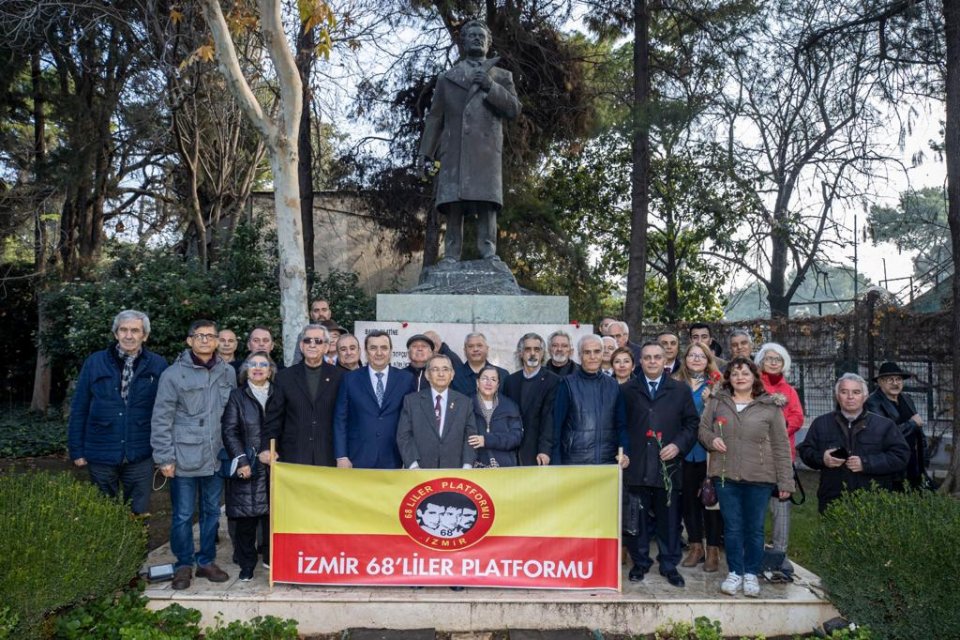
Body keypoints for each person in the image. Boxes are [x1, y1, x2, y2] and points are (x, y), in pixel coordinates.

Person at [418, 19, 521, 263]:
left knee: (487, 203)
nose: (477, 39)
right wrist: (426, 153)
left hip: (486, 150)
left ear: (488, 43)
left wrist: (490, 86)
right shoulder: (447, 78)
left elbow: (514, 109)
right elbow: (435, 118)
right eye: (472, 35)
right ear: (463, 42)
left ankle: (488, 251)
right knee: (454, 204)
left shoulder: (502, 76)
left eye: (481, 36)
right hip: (455, 150)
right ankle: (451, 254)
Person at [698, 357, 795, 598]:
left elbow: (781, 446)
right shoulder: (718, 402)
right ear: (728, 378)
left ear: (754, 377)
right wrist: (712, 440)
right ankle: (735, 572)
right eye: (735, 373)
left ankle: (751, 572)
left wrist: (786, 481)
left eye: (745, 373)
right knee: (732, 527)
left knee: (754, 528)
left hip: (760, 477)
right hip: (725, 475)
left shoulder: (770, 406)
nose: (740, 377)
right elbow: (703, 429)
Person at [151, 319, 237, 590]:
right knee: (183, 514)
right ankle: (183, 564)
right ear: (189, 340)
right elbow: (161, 418)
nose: (205, 340)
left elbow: (232, 416)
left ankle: (206, 561)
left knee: (211, 512)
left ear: (217, 341)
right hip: (184, 457)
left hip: (215, 456)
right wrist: (164, 457)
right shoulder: (173, 375)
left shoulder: (227, 373)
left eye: (210, 336)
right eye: (200, 336)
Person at [68, 310, 167, 515]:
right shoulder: (95, 362)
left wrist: (164, 452)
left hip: (141, 452)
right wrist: (77, 449)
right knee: (104, 513)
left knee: (139, 513)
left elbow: (166, 411)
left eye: (135, 330)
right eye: (123, 330)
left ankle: (138, 538)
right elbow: (79, 408)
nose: (129, 335)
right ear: (116, 334)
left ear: (145, 336)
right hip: (101, 451)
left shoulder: (158, 364)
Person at [621, 342, 699, 588]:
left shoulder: (680, 390)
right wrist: (624, 452)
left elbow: (692, 424)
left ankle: (668, 564)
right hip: (637, 465)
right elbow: (620, 425)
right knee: (637, 518)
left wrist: (677, 445)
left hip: (668, 465)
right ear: (640, 361)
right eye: (647, 357)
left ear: (665, 361)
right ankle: (640, 562)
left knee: (669, 519)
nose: (652, 361)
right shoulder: (627, 390)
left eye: (657, 357)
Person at [798, 373, 910, 513]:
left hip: (873, 501)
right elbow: (806, 451)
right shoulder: (821, 423)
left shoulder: (884, 425)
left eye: (856, 392)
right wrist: (822, 459)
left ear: (865, 396)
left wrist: (866, 463)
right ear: (837, 396)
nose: (850, 397)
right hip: (832, 500)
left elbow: (900, 457)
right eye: (844, 392)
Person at [220, 351, 275, 581]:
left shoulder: (279, 393)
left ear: (270, 370)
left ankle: (271, 558)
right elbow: (229, 430)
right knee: (246, 520)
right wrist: (241, 460)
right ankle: (247, 564)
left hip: (274, 465)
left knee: (272, 517)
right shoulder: (237, 396)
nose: (258, 368)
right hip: (248, 466)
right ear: (246, 370)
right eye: (253, 364)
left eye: (263, 364)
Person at [260, 324, 343, 466]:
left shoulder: (340, 377)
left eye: (318, 341)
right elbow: (274, 418)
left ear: (326, 347)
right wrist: (267, 448)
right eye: (307, 340)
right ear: (301, 346)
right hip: (294, 456)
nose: (312, 345)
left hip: (329, 456)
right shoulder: (284, 377)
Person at [674, 342, 724, 573]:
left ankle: (713, 549)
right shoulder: (676, 383)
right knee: (688, 501)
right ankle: (696, 547)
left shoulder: (717, 384)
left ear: (708, 360)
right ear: (685, 359)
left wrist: (708, 403)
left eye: (700, 356)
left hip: (708, 451)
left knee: (710, 500)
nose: (696, 359)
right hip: (685, 451)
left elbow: (724, 418)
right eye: (691, 355)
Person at [333, 331, 416, 469]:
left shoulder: (405, 379)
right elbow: (340, 419)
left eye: (384, 348)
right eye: (373, 348)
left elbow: (411, 421)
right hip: (357, 457)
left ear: (390, 351)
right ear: (366, 351)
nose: (379, 353)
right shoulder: (349, 379)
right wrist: (341, 456)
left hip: (394, 457)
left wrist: (410, 458)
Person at [754, 342, 804, 567]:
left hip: (782, 456)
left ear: (784, 364)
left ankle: (779, 554)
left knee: (781, 506)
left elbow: (797, 417)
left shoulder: (789, 391)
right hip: (756, 456)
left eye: (778, 359)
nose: (773, 363)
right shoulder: (754, 386)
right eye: (769, 358)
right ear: (761, 361)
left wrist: (780, 428)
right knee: (755, 506)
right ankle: (753, 551)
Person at [553, 335, 630, 467]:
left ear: (602, 354)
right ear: (579, 356)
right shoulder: (567, 384)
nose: (592, 356)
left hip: (608, 462)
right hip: (574, 462)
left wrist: (625, 453)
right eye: (587, 352)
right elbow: (556, 427)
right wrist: (556, 462)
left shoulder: (613, 385)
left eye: (597, 351)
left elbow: (621, 425)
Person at [397, 354, 478, 469]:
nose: (441, 374)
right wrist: (413, 465)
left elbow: (470, 437)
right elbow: (404, 436)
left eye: (445, 369)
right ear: (427, 375)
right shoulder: (411, 401)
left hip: (455, 471)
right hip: (420, 472)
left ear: (452, 374)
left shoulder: (465, 403)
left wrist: (467, 466)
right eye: (435, 369)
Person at [865, 362, 929, 489]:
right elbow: (884, 434)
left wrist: (924, 456)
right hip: (892, 463)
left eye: (898, 379)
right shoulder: (873, 402)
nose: (895, 383)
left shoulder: (906, 398)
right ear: (880, 382)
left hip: (913, 460)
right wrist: (912, 424)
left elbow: (919, 430)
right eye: (890, 379)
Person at [503, 333, 559, 465]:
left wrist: (544, 450)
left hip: (538, 453)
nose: (533, 353)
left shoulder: (553, 381)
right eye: (528, 349)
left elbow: (550, 419)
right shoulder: (510, 381)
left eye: (537, 349)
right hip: (512, 451)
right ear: (521, 353)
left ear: (542, 354)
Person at [469, 365, 523, 467]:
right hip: (475, 467)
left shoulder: (510, 406)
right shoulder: (467, 405)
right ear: (477, 382)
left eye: (493, 379)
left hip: (504, 467)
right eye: (485, 379)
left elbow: (516, 438)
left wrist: (486, 440)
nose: (488, 383)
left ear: (498, 385)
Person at [451, 332, 508, 396]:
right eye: (470, 346)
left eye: (479, 345)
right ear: (465, 350)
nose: (475, 349)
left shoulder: (502, 375)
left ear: (487, 349)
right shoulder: (454, 376)